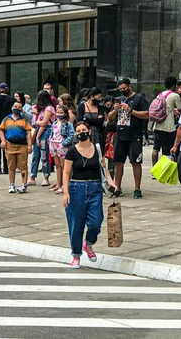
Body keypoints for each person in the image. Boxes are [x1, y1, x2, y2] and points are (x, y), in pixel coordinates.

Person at [63, 121, 110, 269]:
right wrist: (65, 192)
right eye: (78, 130)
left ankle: (88, 243)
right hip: (76, 188)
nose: (81, 132)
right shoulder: (71, 151)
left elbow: (103, 166)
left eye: (83, 129)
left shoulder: (96, 148)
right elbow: (66, 172)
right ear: (76, 134)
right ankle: (76, 255)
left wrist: (111, 181)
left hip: (95, 187)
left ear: (89, 131)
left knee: (96, 222)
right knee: (76, 224)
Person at [108, 78, 150, 199]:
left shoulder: (139, 98)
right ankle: (117, 187)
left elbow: (146, 114)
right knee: (118, 162)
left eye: (124, 88)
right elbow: (110, 118)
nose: (122, 91)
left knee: (135, 162)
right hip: (120, 135)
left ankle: (137, 188)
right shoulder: (120, 100)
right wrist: (115, 110)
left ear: (129, 86)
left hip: (134, 135)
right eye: (120, 89)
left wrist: (131, 110)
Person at [0, 101, 33, 194]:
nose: (17, 108)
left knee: (23, 166)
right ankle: (11, 184)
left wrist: (30, 145)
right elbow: (1, 130)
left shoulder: (24, 120)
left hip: (22, 146)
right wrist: (3, 141)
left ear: (22, 109)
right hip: (10, 145)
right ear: (11, 107)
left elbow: (28, 133)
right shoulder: (6, 119)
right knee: (11, 166)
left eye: (19, 107)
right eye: (15, 106)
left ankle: (24, 184)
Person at [151, 77, 181, 169]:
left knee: (155, 149)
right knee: (167, 150)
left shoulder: (160, 94)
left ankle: (154, 169)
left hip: (157, 125)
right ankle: (165, 169)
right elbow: (180, 109)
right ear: (173, 85)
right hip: (168, 127)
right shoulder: (175, 96)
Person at [50, 104, 75, 194]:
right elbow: (52, 133)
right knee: (57, 166)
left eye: (61, 112)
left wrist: (64, 143)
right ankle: (58, 184)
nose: (59, 114)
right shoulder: (54, 123)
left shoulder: (68, 124)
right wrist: (50, 142)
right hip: (53, 145)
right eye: (58, 112)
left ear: (65, 114)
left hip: (62, 145)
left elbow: (72, 135)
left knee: (64, 166)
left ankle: (65, 185)